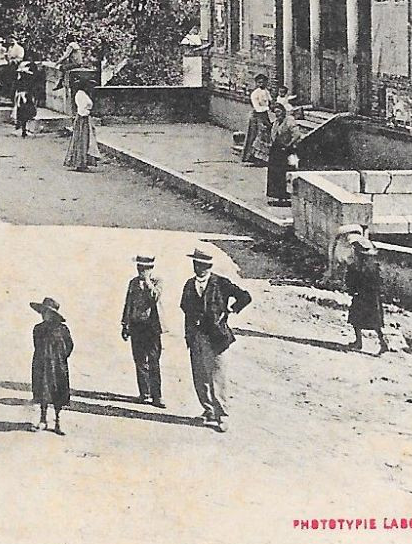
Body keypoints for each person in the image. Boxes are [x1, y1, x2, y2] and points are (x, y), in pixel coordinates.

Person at [180, 248, 251, 432]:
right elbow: (184, 307)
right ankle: (208, 410)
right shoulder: (189, 284)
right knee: (200, 375)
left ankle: (222, 415)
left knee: (218, 377)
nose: (198, 268)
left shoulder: (221, 283)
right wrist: (190, 333)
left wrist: (231, 310)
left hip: (216, 337)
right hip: (196, 337)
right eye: (196, 264)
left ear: (209, 266)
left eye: (202, 265)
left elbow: (245, 297)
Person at [120, 255, 164, 407]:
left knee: (153, 360)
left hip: (151, 328)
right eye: (139, 268)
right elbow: (128, 304)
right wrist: (125, 324)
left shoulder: (157, 282)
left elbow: (155, 297)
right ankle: (144, 394)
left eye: (144, 268)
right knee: (139, 360)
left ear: (151, 269)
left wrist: (147, 282)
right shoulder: (132, 283)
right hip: (136, 326)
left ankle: (157, 396)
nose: (141, 271)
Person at [30, 297, 75, 434]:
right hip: (42, 365)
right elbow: (37, 345)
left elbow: (69, 346)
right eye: (43, 312)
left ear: (54, 314)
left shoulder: (62, 329)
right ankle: (43, 419)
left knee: (58, 392)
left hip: (58, 366)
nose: (44, 315)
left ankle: (57, 421)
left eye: (47, 312)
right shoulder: (38, 329)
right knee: (43, 391)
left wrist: (60, 358)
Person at [345, 238, 391, 354]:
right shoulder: (372, 266)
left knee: (359, 319)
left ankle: (362, 342)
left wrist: (354, 289)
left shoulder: (360, 267)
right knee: (370, 321)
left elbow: (353, 281)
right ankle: (377, 342)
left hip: (365, 297)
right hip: (370, 297)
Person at [266, 102, 298, 207]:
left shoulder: (289, 121)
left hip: (285, 151)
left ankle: (285, 197)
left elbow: (297, 135)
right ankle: (277, 197)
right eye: (275, 112)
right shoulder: (276, 122)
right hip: (276, 151)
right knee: (275, 174)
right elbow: (273, 135)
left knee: (283, 173)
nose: (277, 114)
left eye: (279, 111)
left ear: (283, 111)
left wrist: (288, 145)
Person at [242, 75, 272, 165]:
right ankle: (251, 156)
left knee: (266, 135)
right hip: (257, 116)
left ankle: (263, 157)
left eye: (263, 82)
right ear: (256, 83)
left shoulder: (266, 92)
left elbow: (270, 101)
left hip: (265, 115)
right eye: (259, 82)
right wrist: (267, 108)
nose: (261, 84)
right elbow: (257, 107)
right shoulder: (255, 93)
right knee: (256, 135)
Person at [64, 82, 93, 170]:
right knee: (82, 139)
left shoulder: (82, 94)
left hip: (83, 117)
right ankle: (80, 162)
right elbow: (83, 107)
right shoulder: (81, 94)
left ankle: (81, 161)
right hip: (82, 118)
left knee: (83, 140)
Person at [13, 62, 38, 138]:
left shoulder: (20, 81)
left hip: (23, 98)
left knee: (22, 114)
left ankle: (23, 129)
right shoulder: (28, 81)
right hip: (26, 98)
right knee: (26, 114)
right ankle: (24, 129)